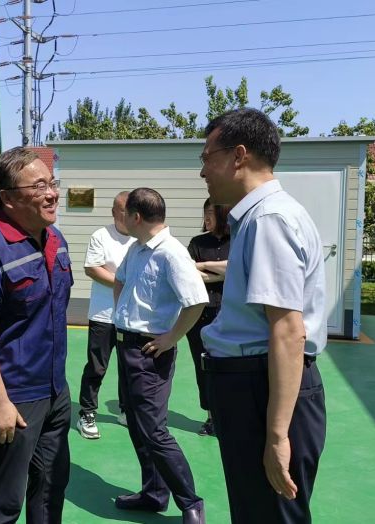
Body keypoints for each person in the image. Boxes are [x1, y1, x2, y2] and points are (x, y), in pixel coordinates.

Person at [199, 108, 327, 524]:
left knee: (269, 513)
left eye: (206, 157)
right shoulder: (259, 217)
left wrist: (276, 436)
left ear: (239, 155)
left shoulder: (269, 219)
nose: (202, 171)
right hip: (257, 383)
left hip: (262, 386)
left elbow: (288, 330)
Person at [0, 147, 73, 523]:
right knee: (4, 501)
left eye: (52, 183)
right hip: (14, 398)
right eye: (39, 186)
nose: (52, 193)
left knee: (51, 489)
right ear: (8, 198)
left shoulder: (54, 238)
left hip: (55, 390)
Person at [113, 188, 208, 524]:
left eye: (124, 213)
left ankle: (191, 503)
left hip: (150, 351)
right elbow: (119, 281)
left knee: (154, 430)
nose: (121, 219)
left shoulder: (171, 253)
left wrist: (171, 337)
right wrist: (122, 315)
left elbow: (196, 301)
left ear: (136, 216)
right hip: (127, 345)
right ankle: (153, 493)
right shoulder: (136, 249)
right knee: (138, 425)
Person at [77, 190, 135, 439]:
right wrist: (125, 284)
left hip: (131, 317)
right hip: (103, 315)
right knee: (97, 367)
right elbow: (92, 268)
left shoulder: (140, 238)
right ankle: (87, 412)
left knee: (128, 367)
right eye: (124, 210)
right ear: (114, 212)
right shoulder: (101, 236)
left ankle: (125, 410)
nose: (129, 215)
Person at [186, 198, 230, 436]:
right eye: (205, 212)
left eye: (211, 212)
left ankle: (231, 414)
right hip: (201, 314)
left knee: (229, 365)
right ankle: (211, 416)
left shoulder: (237, 240)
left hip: (230, 313)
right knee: (203, 365)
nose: (207, 217)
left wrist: (203, 266)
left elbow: (236, 268)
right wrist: (221, 272)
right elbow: (188, 272)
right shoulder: (197, 243)